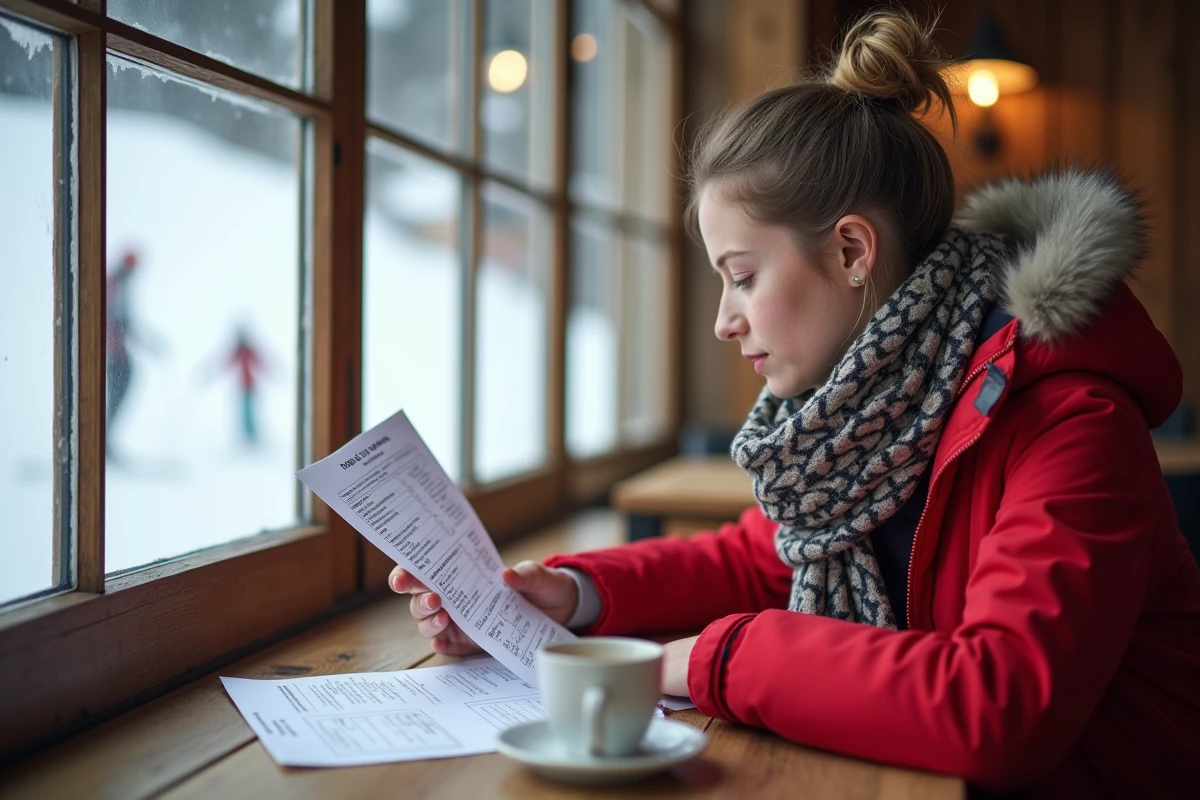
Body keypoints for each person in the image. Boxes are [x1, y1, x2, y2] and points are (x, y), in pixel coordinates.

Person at [389, 10, 1200, 796]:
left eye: (742, 276)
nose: (723, 318)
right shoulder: (884, 414)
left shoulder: (1073, 426)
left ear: (852, 251)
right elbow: (762, 557)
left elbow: (998, 709)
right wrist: (567, 594)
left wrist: (707, 661)